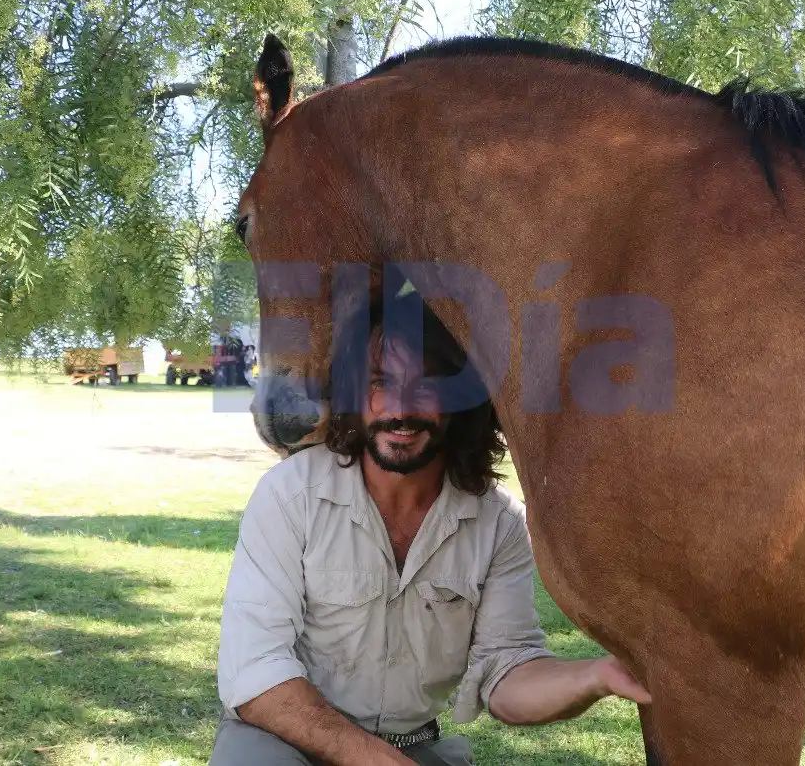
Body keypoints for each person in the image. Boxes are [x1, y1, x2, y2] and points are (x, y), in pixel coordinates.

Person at [209, 291, 651, 766]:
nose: (399, 409)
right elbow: (254, 673)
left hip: (413, 746)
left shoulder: (496, 524)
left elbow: (506, 674)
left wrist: (599, 676)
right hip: (281, 740)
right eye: (379, 382)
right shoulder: (290, 495)